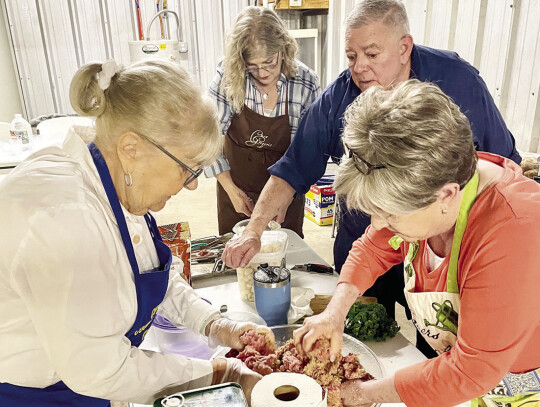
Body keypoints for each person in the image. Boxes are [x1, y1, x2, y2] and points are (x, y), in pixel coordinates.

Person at [222, 0, 520, 356]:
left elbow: (503, 164)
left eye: (371, 54)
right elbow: (294, 167)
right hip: (366, 240)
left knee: (437, 342)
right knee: (360, 345)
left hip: (441, 247)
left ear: (404, 47)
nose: (359, 68)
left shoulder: (457, 80)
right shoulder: (341, 95)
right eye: (351, 57)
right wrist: (254, 230)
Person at [0, 60, 271, 406]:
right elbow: (100, 369)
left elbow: (153, 274)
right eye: (187, 169)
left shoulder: (117, 183)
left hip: (92, 383)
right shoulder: (63, 217)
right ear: (132, 148)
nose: (190, 187)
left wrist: (216, 325)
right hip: (36, 395)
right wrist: (221, 375)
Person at [293, 80, 540, 407]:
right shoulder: (428, 183)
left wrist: (361, 394)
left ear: (446, 196)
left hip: (516, 388)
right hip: (461, 373)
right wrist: (335, 312)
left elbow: (470, 372)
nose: (379, 225)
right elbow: (371, 248)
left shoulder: (515, 233)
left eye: (390, 215)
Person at [205, 6, 321, 237]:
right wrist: (230, 189)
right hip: (236, 190)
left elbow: (307, 151)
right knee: (237, 256)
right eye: (253, 66)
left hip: (286, 191)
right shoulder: (228, 77)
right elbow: (206, 140)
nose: (263, 73)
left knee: (282, 261)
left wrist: (287, 197)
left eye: (270, 62)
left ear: (283, 49)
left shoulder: (305, 82)